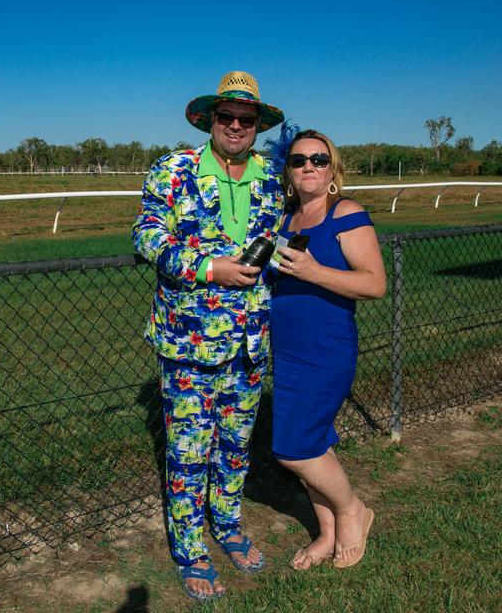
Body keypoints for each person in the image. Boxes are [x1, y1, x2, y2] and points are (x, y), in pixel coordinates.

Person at [132, 70, 286, 601]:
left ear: (258, 125)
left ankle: (228, 526)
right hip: (188, 341)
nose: (237, 126)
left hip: (249, 342)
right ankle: (190, 549)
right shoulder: (174, 170)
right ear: (211, 121)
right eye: (228, 117)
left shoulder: (272, 176)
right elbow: (148, 234)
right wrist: (207, 268)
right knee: (190, 448)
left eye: (247, 119)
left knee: (236, 446)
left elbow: (284, 236)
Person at [270, 129, 387, 570]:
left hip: (326, 350)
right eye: (299, 161)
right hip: (288, 351)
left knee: (293, 449)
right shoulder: (286, 220)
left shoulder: (346, 213)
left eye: (318, 160)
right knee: (315, 442)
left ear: (332, 167)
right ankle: (328, 533)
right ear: (289, 169)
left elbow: (374, 284)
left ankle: (352, 510)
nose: (309, 168)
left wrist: (315, 272)